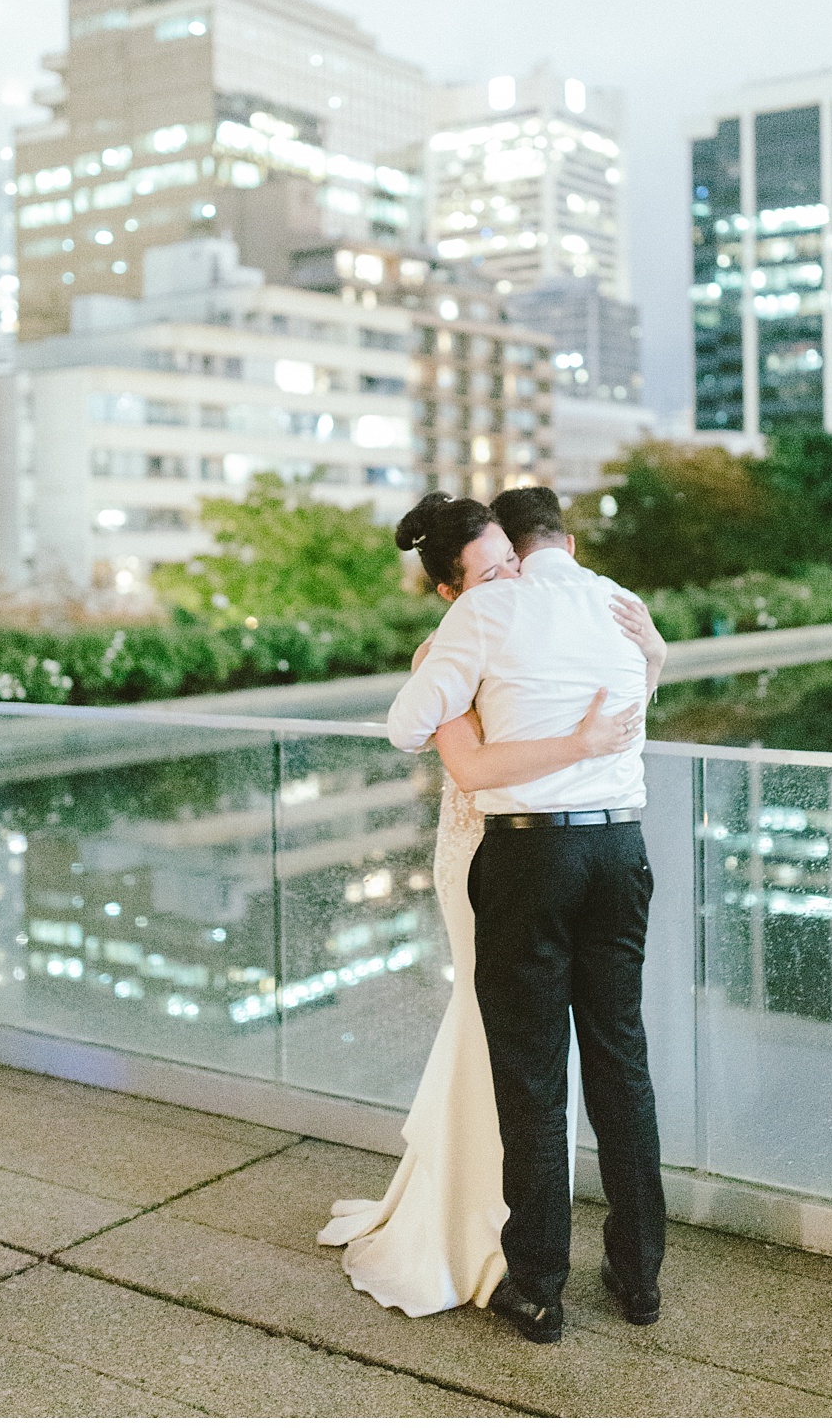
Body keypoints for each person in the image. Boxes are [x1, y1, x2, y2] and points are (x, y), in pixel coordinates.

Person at [318, 492, 664, 1321]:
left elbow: (407, 726)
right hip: (621, 847)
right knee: (621, 1060)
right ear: (565, 538)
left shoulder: (487, 614)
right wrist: (653, 658)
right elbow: (634, 695)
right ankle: (639, 1277)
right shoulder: (621, 605)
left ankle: (540, 1288)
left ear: (515, 540)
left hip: (533, 853)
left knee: (534, 1075)